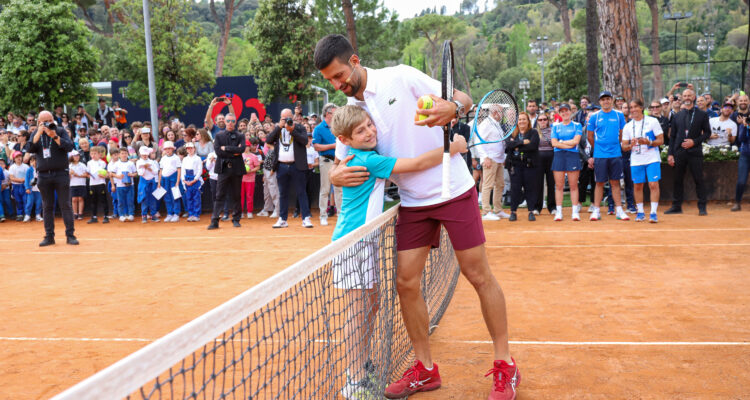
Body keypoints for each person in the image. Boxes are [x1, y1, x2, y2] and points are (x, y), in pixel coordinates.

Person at [316, 34, 519, 400]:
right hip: (411, 201)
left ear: (356, 61)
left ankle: (505, 365)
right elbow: (344, 159)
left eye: (340, 74)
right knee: (406, 284)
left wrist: (453, 110)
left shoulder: (400, 76)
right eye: (330, 80)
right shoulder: (352, 111)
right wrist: (334, 175)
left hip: (453, 190)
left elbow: (464, 100)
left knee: (478, 275)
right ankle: (425, 369)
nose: (337, 84)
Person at [330, 105, 468, 399]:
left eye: (370, 125)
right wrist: (452, 147)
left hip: (365, 241)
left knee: (371, 305)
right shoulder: (369, 159)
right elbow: (417, 164)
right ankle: (354, 381)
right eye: (360, 130)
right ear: (346, 139)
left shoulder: (361, 151)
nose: (369, 132)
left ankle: (360, 366)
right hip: (353, 244)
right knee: (358, 312)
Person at [26, 111, 77, 246]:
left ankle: (70, 235)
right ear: (38, 122)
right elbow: (29, 148)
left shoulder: (60, 130)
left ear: (53, 119)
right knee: (47, 206)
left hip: (61, 173)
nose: (48, 123)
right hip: (43, 175)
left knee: (66, 205)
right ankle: (49, 236)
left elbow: (70, 147)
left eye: (50, 120)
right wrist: (38, 132)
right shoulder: (35, 133)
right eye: (44, 121)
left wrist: (54, 137)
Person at [665, 88, 712, 216]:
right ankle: (676, 206)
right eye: (684, 95)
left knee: (699, 179)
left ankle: (702, 207)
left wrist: (694, 142)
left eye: (689, 95)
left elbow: (707, 133)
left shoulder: (702, 114)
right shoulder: (677, 115)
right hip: (679, 152)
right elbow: (673, 136)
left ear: (694, 97)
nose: (687, 97)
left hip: (695, 152)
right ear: (682, 98)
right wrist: (670, 154)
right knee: (677, 180)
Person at [266, 109, 313, 229]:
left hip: (297, 165)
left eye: (288, 118)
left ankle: (306, 218)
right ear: (280, 118)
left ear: (293, 117)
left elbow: (304, 141)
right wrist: (278, 128)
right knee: (282, 193)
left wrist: (292, 131)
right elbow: (268, 140)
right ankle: (282, 219)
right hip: (281, 166)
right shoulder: (277, 129)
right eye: (283, 118)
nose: (286, 120)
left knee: (301, 192)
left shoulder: (299, 128)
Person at [586, 91, 628, 221]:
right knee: (599, 183)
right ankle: (596, 211)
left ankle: (619, 210)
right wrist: (599, 148)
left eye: (608, 99)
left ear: (611, 100)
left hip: (615, 154)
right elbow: (590, 136)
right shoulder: (595, 116)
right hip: (600, 155)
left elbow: (622, 133)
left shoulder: (619, 115)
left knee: (615, 183)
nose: (606, 101)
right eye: (603, 99)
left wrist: (616, 144)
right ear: (600, 102)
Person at [621, 100, 664, 223]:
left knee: (653, 184)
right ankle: (640, 212)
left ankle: (653, 213)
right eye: (631, 107)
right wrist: (631, 145)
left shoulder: (652, 121)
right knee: (638, 186)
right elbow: (624, 146)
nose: (633, 109)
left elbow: (660, 140)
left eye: (635, 107)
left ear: (641, 108)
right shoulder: (628, 126)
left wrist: (649, 142)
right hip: (636, 159)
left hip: (652, 158)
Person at [207, 113, 245, 229]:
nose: (230, 123)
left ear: (235, 122)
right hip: (223, 169)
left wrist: (227, 148)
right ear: (225, 122)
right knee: (219, 195)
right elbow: (219, 152)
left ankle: (236, 219)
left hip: (237, 169)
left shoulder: (240, 135)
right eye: (228, 121)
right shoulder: (218, 136)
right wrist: (235, 151)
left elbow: (242, 149)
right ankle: (215, 221)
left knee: (236, 195)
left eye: (232, 121)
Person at [476, 105, 510, 220]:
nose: (502, 114)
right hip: (490, 159)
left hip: (499, 159)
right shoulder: (486, 124)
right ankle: (486, 211)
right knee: (488, 185)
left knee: (500, 184)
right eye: (501, 112)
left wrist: (503, 157)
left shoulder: (496, 124)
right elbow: (478, 141)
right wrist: (485, 157)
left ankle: (498, 209)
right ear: (495, 112)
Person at [550, 104, 582, 221]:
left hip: (572, 156)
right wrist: (568, 143)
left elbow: (576, 142)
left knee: (573, 185)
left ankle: (574, 212)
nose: (564, 113)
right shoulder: (555, 126)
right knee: (559, 186)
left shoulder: (577, 125)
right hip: (559, 156)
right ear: (560, 113)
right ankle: (559, 212)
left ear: (570, 112)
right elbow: (554, 143)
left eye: (566, 111)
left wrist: (561, 142)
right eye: (562, 111)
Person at [505, 112, 540, 222]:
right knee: (515, 189)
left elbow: (533, 146)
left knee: (530, 188)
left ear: (528, 121)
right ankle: (513, 212)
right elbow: (508, 145)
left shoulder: (533, 132)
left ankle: (531, 211)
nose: (522, 121)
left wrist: (516, 145)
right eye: (519, 119)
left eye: (524, 119)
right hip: (515, 165)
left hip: (529, 165)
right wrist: (522, 142)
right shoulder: (512, 133)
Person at [312, 103, 340, 226]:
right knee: (325, 189)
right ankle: (323, 215)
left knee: (339, 189)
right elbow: (316, 146)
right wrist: (333, 146)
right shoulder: (318, 128)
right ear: (328, 114)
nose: (336, 115)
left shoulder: (338, 126)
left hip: (339, 161)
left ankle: (340, 214)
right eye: (334, 113)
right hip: (326, 160)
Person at [535, 112, 555, 215]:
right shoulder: (534, 132)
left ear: (548, 121)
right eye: (540, 120)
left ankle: (552, 207)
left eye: (544, 119)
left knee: (551, 182)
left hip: (551, 157)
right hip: (538, 158)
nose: (542, 121)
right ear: (537, 121)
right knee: (538, 183)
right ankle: (537, 207)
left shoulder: (553, 130)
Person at [158, 141, 182, 223]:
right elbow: (161, 170)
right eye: (166, 149)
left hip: (173, 179)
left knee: (175, 196)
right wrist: (159, 182)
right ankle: (170, 213)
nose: (167, 150)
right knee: (167, 197)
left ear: (172, 149)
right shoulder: (163, 158)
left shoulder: (176, 158)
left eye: (169, 148)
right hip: (165, 180)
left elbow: (179, 170)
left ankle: (176, 214)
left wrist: (177, 181)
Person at [111, 148, 137, 222]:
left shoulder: (131, 163)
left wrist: (131, 174)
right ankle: (121, 215)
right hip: (120, 186)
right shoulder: (117, 164)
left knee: (130, 200)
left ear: (128, 154)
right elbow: (112, 173)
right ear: (119, 155)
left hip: (130, 185)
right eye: (122, 153)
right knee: (121, 201)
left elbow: (135, 173)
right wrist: (118, 176)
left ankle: (131, 214)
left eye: (125, 153)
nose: (124, 155)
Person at [136, 146, 160, 222]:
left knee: (152, 199)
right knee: (144, 199)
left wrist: (149, 168)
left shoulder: (152, 162)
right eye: (143, 154)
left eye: (146, 154)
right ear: (140, 154)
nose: (145, 156)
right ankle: (144, 216)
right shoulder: (138, 162)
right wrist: (144, 167)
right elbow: (140, 173)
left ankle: (153, 215)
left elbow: (156, 172)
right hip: (143, 182)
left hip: (152, 182)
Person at [86, 146, 110, 223]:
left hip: (101, 183)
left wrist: (104, 176)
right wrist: (89, 175)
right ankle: (94, 217)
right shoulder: (89, 163)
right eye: (91, 153)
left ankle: (106, 217)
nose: (93, 155)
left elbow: (107, 174)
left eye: (95, 153)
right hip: (92, 184)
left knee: (103, 200)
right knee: (93, 201)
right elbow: (87, 174)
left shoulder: (103, 163)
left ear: (99, 154)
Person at [732, 109, 750, 211]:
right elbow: (741, 139)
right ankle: (737, 203)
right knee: (741, 181)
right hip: (745, 155)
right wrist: (744, 125)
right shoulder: (744, 123)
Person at [182, 141, 204, 222]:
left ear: (194, 149)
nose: (190, 150)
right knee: (189, 198)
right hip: (187, 179)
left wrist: (195, 180)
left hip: (195, 180)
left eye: (191, 148)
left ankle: (196, 214)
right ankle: (190, 214)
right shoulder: (184, 159)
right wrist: (184, 180)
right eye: (188, 148)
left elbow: (199, 171)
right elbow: (183, 170)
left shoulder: (198, 158)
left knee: (196, 198)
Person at [240, 138, 261, 219]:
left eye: (247, 146)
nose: (245, 148)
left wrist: (251, 170)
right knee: (240, 196)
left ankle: (249, 212)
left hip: (250, 179)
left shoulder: (254, 156)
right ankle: (241, 212)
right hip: (241, 179)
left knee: (249, 195)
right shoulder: (239, 156)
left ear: (249, 147)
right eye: (244, 146)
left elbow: (258, 167)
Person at [9, 151, 29, 221]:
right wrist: (20, 180)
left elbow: (29, 176)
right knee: (18, 200)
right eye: (17, 157)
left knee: (25, 200)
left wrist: (24, 180)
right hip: (16, 186)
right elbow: (11, 178)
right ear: (14, 159)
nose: (19, 158)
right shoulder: (12, 167)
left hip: (24, 186)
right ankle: (20, 214)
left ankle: (26, 214)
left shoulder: (26, 166)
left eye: (20, 156)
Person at [69, 150, 88, 220]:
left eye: (78, 155)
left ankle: (80, 213)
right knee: (74, 199)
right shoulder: (69, 166)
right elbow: (69, 177)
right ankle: (75, 214)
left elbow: (86, 174)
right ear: (72, 157)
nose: (77, 157)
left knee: (80, 198)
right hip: (72, 184)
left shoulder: (83, 165)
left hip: (81, 184)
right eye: (75, 156)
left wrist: (76, 174)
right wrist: (70, 174)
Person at [23, 154, 43, 222]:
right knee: (29, 203)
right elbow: (26, 179)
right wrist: (27, 188)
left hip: (39, 190)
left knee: (39, 203)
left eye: (35, 160)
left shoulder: (41, 169)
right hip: (31, 190)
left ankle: (38, 215)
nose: (34, 162)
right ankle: (27, 215)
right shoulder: (29, 170)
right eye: (32, 160)